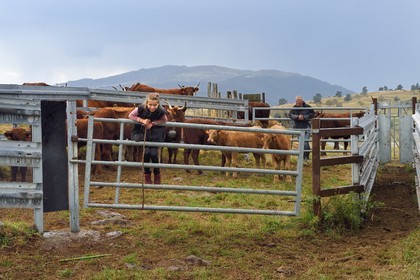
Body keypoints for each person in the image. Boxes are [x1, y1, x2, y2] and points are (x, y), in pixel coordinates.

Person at [129, 93, 168, 184]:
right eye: (150, 105)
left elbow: (164, 120)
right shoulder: (141, 108)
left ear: (158, 104)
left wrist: (153, 123)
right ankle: (147, 175)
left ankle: (157, 174)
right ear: (146, 103)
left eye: (155, 105)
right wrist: (142, 120)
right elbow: (131, 115)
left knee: (154, 154)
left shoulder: (161, 111)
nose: (152, 107)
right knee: (146, 154)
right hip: (143, 133)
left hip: (156, 134)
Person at [288, 96, 315, 163]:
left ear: (301, 101)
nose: (296, 102)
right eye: (296, 101)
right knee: (301, 143)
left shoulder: (308, 107)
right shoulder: (294, 108)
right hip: (298, 127)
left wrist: (304, 117)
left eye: (297, 101)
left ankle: (306, 157)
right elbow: (290, 115)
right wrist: (297, 117)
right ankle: (303, 158)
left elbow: (312, 114)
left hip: (306, 126)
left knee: (305, 142)